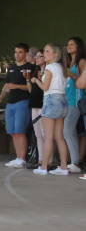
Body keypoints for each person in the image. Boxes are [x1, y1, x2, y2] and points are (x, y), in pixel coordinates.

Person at [0, 43, 34, 168]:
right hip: (10, 104)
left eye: (20, 52)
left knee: (20, 131)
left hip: (23, 102)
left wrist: (16, 86)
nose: (17, 54)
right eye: (15, 52)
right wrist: (0, 97)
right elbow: (7, 85)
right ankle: (18, 157)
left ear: (26, 54)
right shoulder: (11, 68)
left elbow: (31, 87)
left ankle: (22, 158)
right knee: (12, 132)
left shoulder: (30, 67)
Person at [30, 44, 68, 176]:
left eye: (47, 51)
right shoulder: (61, 67)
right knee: (60, 137)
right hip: (62, 101)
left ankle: (44, 167)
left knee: (48, 137)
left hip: (51, 100)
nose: (44, 54)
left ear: (55, 55)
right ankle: (63, 167)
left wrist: (36, 80)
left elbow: (45, 87)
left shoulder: (50, 67)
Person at [63, 37, 86, 173]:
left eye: (72, 44)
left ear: (79, 46)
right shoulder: (70, 61)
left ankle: (76, 162)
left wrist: (71, 75)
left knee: (68, 130)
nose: (69, 46)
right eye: (68, 44)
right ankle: (74, 161)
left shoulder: (82, 62)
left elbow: (83, 81)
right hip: (68, 100)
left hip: (77, 101)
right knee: (69, 131)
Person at [26, 51, 47, 169]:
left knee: (45, 134)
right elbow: (31, 90)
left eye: (40, 56)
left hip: (44, 104)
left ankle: (47, 160)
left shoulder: (48, 70)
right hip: (34, 104)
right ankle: (40, 160)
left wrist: (38, 80)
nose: (37, 58)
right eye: (36, 56)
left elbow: (46, 87)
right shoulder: (34, 70)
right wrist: (28, 80)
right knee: (38, 134)